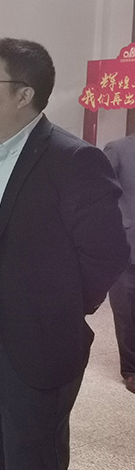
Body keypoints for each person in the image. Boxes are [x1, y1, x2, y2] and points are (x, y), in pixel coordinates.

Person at [0, 37, 129, 470]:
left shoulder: (72, 160)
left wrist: (57, 311)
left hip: (34, 348)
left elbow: (108, 253)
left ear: (24, 94)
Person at [103, 134, 135, 394]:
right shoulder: (118, 149)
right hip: (126, 245)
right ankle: (131, 369)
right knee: (126, 311)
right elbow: (98, 193)